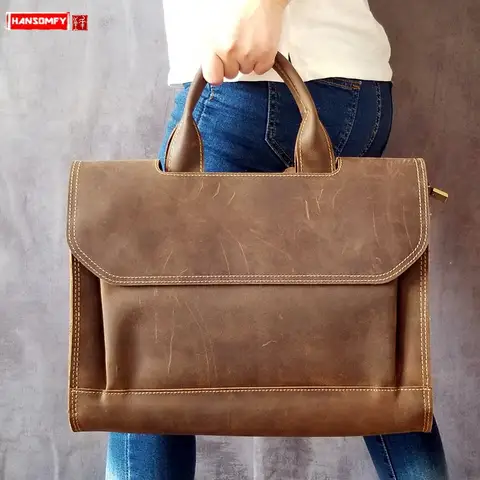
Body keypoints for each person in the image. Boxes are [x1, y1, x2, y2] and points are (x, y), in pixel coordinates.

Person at [106, 0, 449, 478]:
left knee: (151, 344)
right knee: (374, 340)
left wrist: (262, 7)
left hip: (248, 82)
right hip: (354, 84)